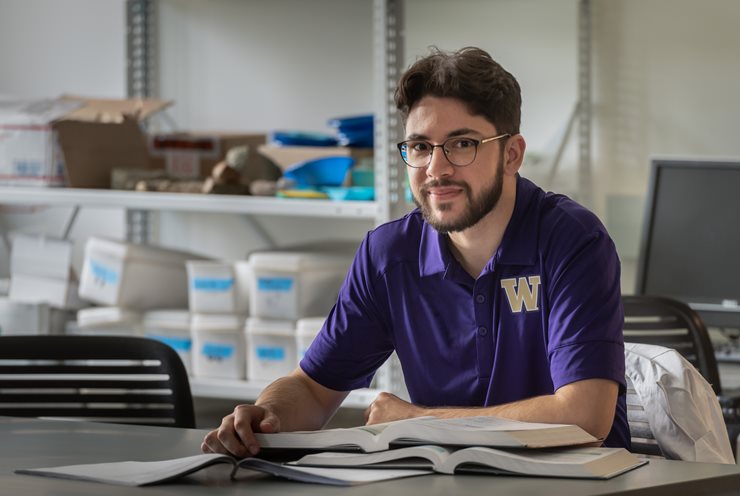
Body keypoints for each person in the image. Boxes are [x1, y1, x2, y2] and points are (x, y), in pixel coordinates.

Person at [202, 47, 629, 457]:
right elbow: (313, 389)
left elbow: (584, 416)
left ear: (511, 154)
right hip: (446, 488)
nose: (435, 169)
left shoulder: (573, 241)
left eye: (462, 144)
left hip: (576, 491)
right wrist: (266, 417)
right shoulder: (389, 254)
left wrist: (418, 421)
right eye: (421, 147)